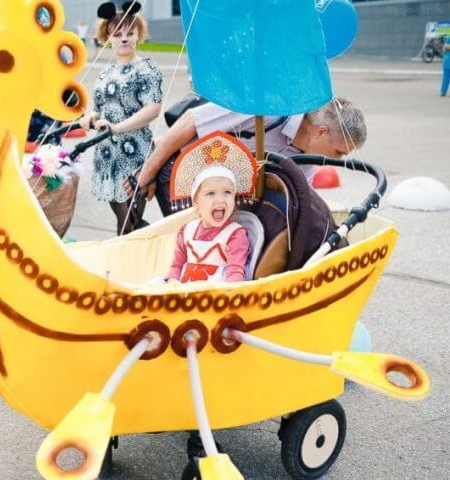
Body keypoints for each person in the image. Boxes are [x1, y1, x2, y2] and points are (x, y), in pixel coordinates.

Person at [131, 98, 368, 217]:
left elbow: (301, 203)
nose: (337, 160)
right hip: (179, 167)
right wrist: (147, 174)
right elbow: (190, 121)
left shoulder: (305, 159)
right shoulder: (268, 108)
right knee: (193, 243)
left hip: (221, 189)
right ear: (321, 132)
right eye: (339, 152)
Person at [78, 2, 162, 234]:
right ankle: (144, 243)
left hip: (134, 153)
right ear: (107, 38)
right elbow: (101, 109)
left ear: (138, 35)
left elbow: (153, 108)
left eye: (130, 33)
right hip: (107, 154)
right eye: (117, 34)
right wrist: (90, 117)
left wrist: (117, 127)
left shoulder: (146, 68)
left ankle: (133, 251)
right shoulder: (105, 73)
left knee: (127, 222)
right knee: (123, 220)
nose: (124, 38)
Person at [166, 167, 249, 283]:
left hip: (217, 291)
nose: (220, 200)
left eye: (227, 192)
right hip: (184, 290)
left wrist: (231, 290)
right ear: (196, 201)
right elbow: (176, 266)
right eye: (211, 193)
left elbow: (235, 271)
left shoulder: (235, 233)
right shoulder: (186, 230)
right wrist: (172, 282)